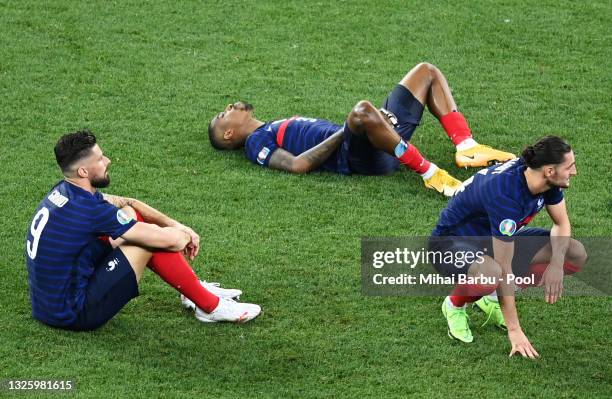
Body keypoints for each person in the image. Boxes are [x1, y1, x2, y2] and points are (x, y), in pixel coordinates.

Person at [25, 130, 261, 331]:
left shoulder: (65, 191)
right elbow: (172, 243)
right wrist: (185, 234)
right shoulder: (89, 209)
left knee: (132, 217)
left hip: (48, 304)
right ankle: (209, 306)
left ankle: (193, 290)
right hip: (72, 313)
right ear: (83, 172)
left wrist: (175, 225)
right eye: (99, 159)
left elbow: (127, 204)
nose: (107, 160)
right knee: (147, 241)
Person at [208, 62, 515, 196]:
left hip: (377, 138)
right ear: (228, 134)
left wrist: (369, 125)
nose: (231, 106)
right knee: (362, 111)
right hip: (358, 157)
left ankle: (466, 147)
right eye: (225, 114)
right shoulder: (256, 144)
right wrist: (348, 128)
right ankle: (430, 174)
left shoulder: (272, 125)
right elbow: (298, 166)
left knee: (426, 72)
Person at [429, 135, 587, 358]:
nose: (574, 172)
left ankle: (491, 299)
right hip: (449, 245)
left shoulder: (543, 178)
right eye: (570, 167)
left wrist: (557, 263)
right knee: (492, 274)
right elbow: (503, 268)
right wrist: (515, 330)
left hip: (492, 242)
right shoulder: (506, 196)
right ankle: (454, 305)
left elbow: (561, 223)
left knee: (574, 253)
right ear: (550, 171)